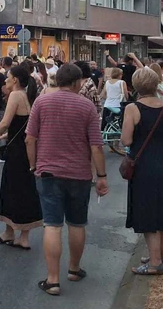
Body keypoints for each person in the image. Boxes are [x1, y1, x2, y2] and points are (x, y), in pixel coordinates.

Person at [25, 64, 108, 296]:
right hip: (79, 174)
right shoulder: (87, 106)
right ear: (76, 82)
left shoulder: (41, 102)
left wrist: (33, 165)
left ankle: (52, 280)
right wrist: (101, 176)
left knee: (52, 224)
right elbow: (96, 146)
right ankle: (74, 269)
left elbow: (30, 139)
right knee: (77, 223)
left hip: (48, 172)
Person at [120, 67, 163, 275]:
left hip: (145, 165)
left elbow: (126, 140)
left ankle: (155, 262)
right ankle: (162, 255)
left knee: (147, 210)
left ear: (135, 86)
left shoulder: (133, 108)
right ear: (156, 84)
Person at [0, 65, 43, 249]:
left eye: (7, 76)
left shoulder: (15, 95)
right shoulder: (27, 95)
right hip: (26, 150)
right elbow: (22, 126)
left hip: (16, 151)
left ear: (15, 80)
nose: (5, 80)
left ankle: (9, 232)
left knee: (10, 189)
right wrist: (4, 135)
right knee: (25, 191)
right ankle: (23, 237)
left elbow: (5, 122)